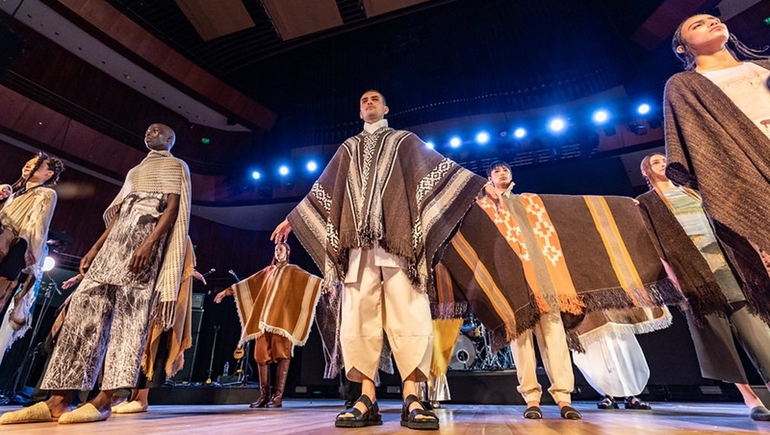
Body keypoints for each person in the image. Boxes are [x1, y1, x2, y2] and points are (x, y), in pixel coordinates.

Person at [271, 90, 498, 430]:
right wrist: (294, 218)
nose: (369, 103)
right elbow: (325, 189)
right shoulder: (347, 148)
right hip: (356, 247)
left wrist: (477, 186)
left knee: (410, 312)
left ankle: (413, 397)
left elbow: (438, 167)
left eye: (375, 99)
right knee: (358, 318)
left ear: (386, 108)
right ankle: (366, 397)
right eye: (363, 100)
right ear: (359, 110)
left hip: (399, 243)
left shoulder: (404, 142)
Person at [0, 123, 191, 425]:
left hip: (143, 249)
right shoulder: (135, 171)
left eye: (157, 130)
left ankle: (106, 398)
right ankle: (58, 400)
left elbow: (172, 210)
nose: (149, 131)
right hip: (113, 247)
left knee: (129, 320)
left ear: (169, 139)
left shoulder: (177, 166)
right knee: (82, 314)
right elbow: (119, 214)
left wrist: (148, 244)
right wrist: (95, 247)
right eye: (148, 129)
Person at [637, 152, 770, 422]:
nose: (662, 164)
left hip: (724, 266)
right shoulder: (646, 202)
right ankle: (749, 398)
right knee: (718, 338)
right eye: (655, 162)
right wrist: (674, 278)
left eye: (664, 159)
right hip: (693, 275)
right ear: (646, 172)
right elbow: (655, 244)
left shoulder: (694, 191)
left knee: (757, 333)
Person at [665, 14, 770, 258]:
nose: (711, 23)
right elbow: (701, 144)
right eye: (697, 25)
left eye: (713, 19)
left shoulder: (764, 66)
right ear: (683, 47)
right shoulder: (685, 84)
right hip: (750, 171)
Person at [485, 161, 581, 420]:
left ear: (512, 175)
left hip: (542, 276)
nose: (502, 173)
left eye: (505, 169)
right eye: (496, 171)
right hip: (511, 279)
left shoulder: (530, 202)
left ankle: (563, 398)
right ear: (489, 179)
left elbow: (567, 210)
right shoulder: (484, 206)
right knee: (521, 341)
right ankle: (531, 398)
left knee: (554, 336)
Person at [214, 242, 322, 409]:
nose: (278, 252)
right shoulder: (268, 271)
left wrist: (326, 286)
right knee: (260, 356)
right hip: (264, 322)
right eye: (276, 250)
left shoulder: (293, 270)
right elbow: (248, 284)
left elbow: (311, 281)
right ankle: (264, 395)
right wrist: (226, 292)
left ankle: (277, 397)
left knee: (282, 355)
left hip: (282, 323)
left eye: (281, 249)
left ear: (287, 252)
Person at [112, 237, 203, 414]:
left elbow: (184, 264)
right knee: (137, 347)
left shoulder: (181, 237)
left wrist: (189, 272)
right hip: (144, 295)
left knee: (154, 344)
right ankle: (132, 395)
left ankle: (142, 398)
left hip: (162, 300)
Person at [0, 152, 63, 314]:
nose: (28, 164)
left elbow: (35, 230)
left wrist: (9, 270)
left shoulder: (46, 194)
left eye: (37, 165)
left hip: (8, 260)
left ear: (48, 174)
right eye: (28, 162)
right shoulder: (15, 195)